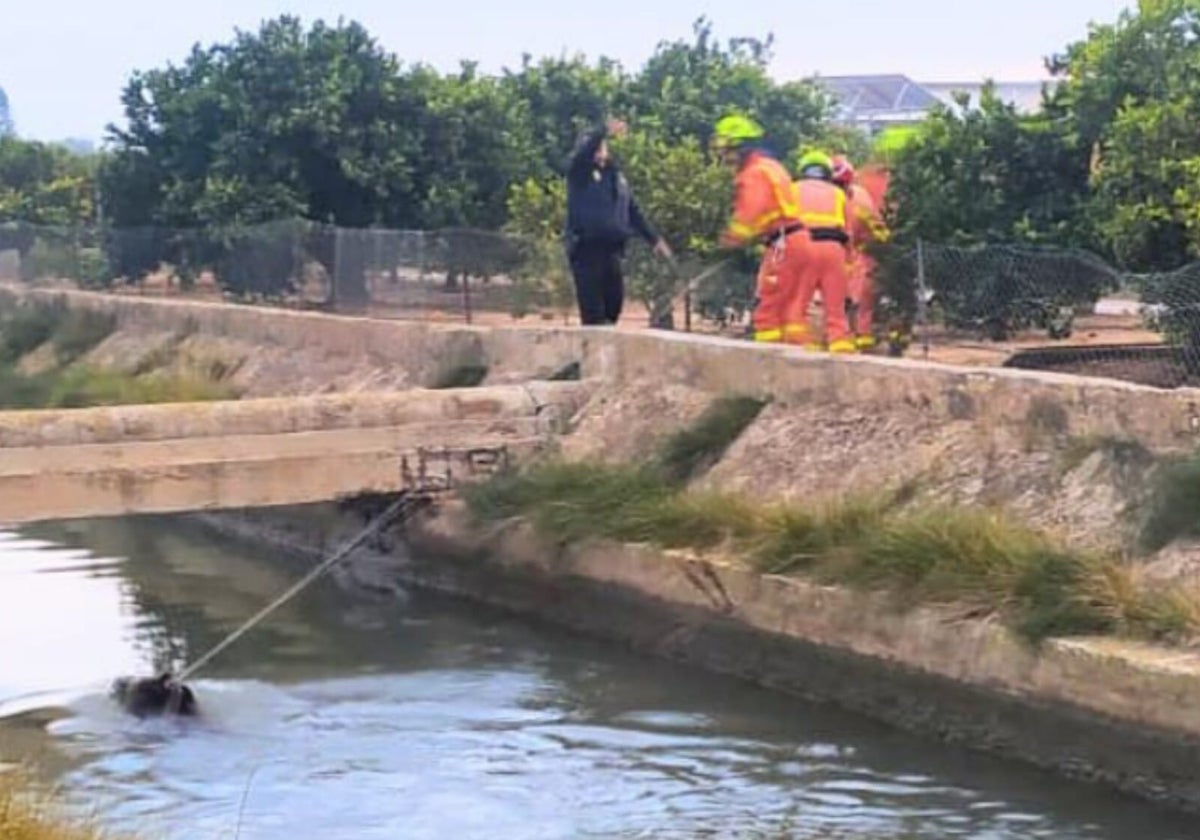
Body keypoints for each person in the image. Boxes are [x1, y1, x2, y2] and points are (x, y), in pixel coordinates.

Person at [712, 115, 853, 351]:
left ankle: (768, 364)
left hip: (784, 243)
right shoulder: (772, 166)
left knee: (769, 309)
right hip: (805, 242)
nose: (725, 156)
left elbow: (752, 209)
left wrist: (733, 237)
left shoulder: (754, 173)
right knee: (794, 309)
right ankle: (804, 358)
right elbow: (849, 231)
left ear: (741, 147)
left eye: (728, 150)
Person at [564, 118, 672, 325]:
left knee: (614, 303)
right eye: (595, 145)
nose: (599, 148)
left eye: (601, 145)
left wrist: (654, 240)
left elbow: (633, 212)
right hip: (586, 249)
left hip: (612, 250)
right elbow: (583, 154)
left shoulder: (615, 177)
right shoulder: (580, 173)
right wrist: (603, 129)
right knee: (593, 311)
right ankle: (594, 346)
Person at [832, 154, 890, 351]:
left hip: (857, 258)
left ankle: (861, 341)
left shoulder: (858, 199)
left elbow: (875, 229)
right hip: (843, 257)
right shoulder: (851, 197)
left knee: (861, 302)